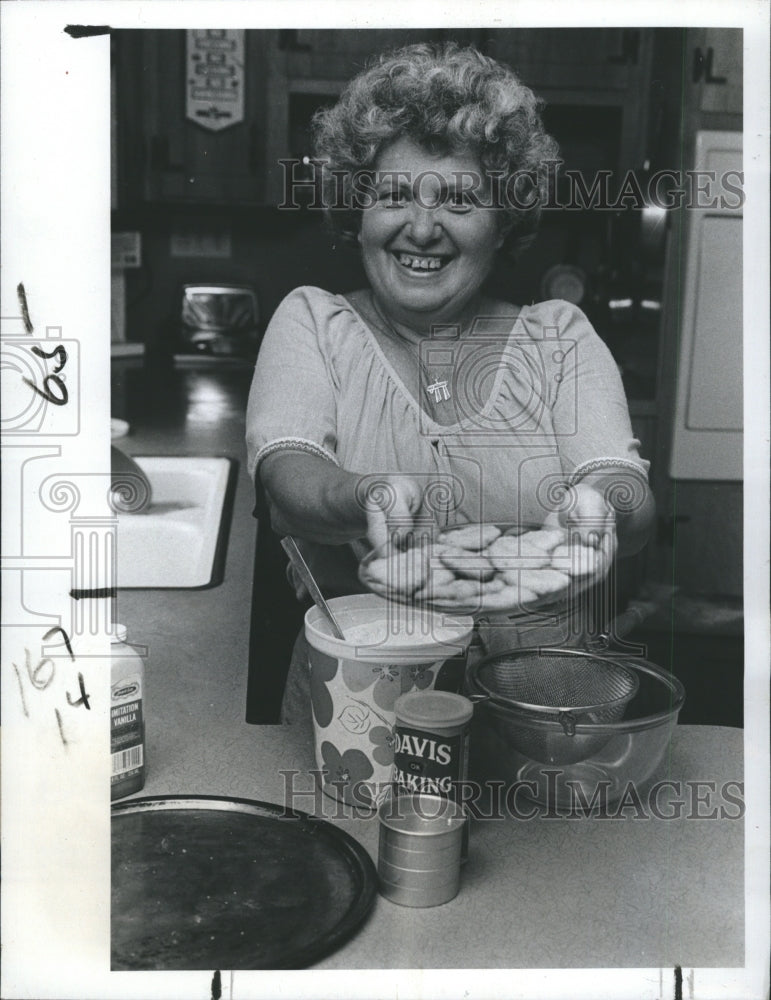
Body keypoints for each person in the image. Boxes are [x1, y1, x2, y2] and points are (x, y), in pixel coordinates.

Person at [246, 42, 655, 724]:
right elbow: (289, 481)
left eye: (461, 200)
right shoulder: (313, 322)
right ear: (357, 211)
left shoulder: (559, 336)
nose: (422, 228)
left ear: (502, 223)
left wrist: (601, 505)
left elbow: (622, 486)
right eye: (393, 195)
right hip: (362, 704)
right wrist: (365, 494)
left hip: (547, 705)